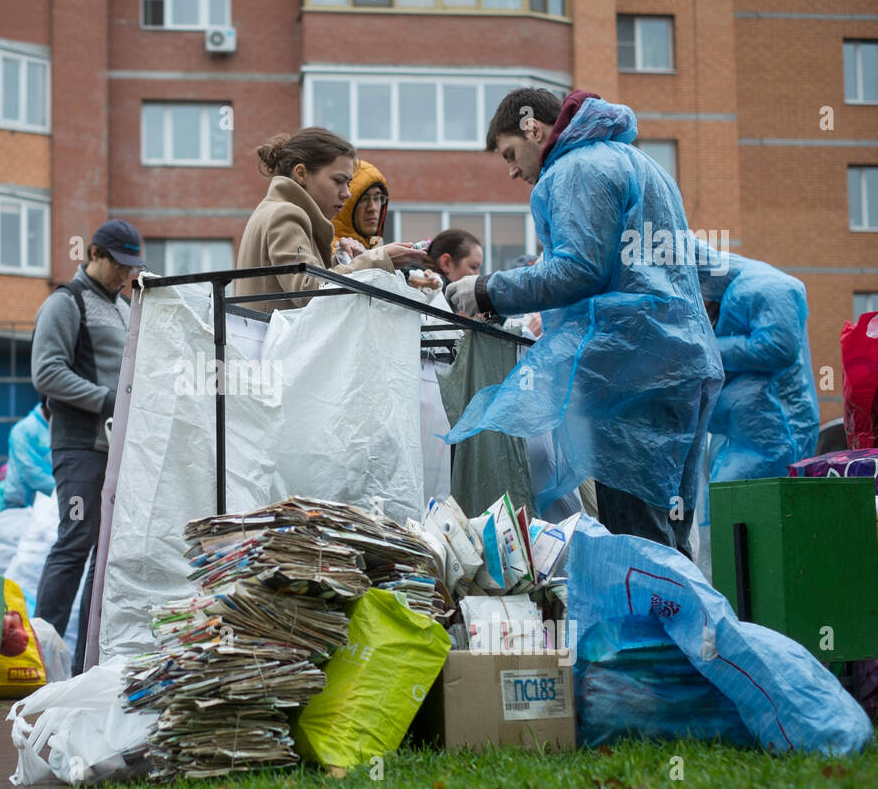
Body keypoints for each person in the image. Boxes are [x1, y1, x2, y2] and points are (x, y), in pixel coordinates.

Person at [444, 89, 722, 554]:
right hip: (678, 365)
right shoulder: (640, 163)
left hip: (629, 373)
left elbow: (578, 270)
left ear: (534, 128)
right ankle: (684, 626)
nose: (513, 170)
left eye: (511, 153)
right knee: (670, 536)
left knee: (637, 545)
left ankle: (646, 627)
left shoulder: (576, 169)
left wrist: (486, 290)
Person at [32, 220, 142, 674]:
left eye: (131, 268)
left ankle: (82, 668)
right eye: (118, 265)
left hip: (115, 448)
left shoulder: (122, 306)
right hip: (80, 446)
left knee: (103, 554)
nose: (124, 276)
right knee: (75, 543)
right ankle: (38, 662)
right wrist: (109, 400)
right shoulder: (65, 302)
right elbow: (46, 372)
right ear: (94, 253)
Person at [236, 128, 427, 311]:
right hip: (275, 343)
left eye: (348, 183)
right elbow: (309, 292)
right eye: (338, 181)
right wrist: (376, 259)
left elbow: (299, 288)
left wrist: (340, 262)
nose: (347, 194)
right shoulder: (285, 214)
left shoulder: (275, 209)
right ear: (301, 173)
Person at [697, 247, 819, 481]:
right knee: (729, 506)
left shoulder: (765, 287)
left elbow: (780, 347)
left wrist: (708, 349)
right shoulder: (730, 297)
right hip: (744, 432)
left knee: (753, 506)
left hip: (774, 431)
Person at [0, 403, 54, 514]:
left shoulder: (60, 428)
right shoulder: (22, 430)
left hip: (50, 504)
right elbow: (29, 472)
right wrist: (66, 489)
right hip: (20, 506)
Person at [331, 160, 389, 251]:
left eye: (377, 198)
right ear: (346, 205)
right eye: (364, 199)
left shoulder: (376, 250)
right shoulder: (334, 254)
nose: (373, 208)